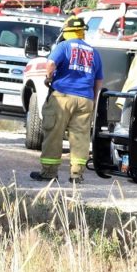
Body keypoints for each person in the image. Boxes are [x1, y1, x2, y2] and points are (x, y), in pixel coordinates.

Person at [31, 15, 103, 185]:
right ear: (82, 32)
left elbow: (50, 65)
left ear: (67, 32)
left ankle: (49, 173)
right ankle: (77, 175)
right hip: (85, 99)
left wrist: (48, 79)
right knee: (80, 137)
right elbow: (99, 81)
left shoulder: (63, 46)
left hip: (62, 96)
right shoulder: (94, 52)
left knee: (53, 134)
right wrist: (93, 99)